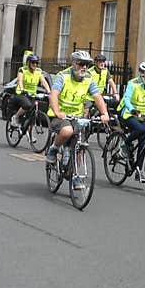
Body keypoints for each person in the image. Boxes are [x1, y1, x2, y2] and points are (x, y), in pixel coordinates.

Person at [45, 51, 110, 190]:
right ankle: (54, 149)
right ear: (74, 63)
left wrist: (104, 113)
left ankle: (76, 177)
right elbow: (53, 94)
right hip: (60, 116)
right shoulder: (63, 76)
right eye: (81, 64)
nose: (85, 67)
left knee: (79, 147)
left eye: (87, 65)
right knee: (67, 131)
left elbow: (97, 96)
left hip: (77, 117)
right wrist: (57, 111)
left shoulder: (88, 78)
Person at [7, 54, 52, 140]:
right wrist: (22, 88)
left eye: (36, 63)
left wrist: (49, 91)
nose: (35, 64)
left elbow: (43, 81)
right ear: (28, 63)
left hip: (32, 95)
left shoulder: (38, 71)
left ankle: (29, 136)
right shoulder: (22, 70)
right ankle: (15, 116)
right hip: (21, 94)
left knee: (32, 117)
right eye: (33, 62)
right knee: (27, 105)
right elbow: (20, 80)